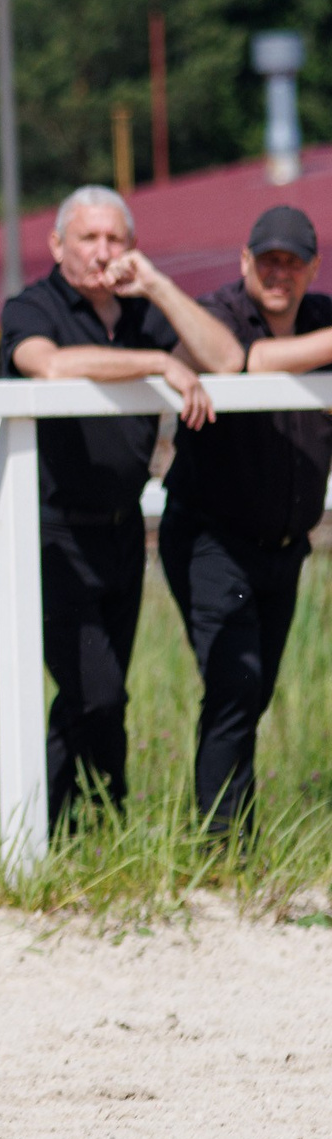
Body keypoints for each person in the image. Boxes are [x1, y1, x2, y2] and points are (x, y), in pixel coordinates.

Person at [2, 184, 242, 831]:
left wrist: (159, 287)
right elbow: (48, 366)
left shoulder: (144, 310)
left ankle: (56, 830)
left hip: (122, 531)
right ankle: (106, 819)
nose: (103, 251)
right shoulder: (33, 306)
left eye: (116, 239)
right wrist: (158, 362)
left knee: (88, 699)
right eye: (89, 237)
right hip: (50, 533)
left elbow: (225, 358)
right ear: (57, 244)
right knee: (99, 692)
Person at [157, 205, 329, 843]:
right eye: (268, 259)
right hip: (213, 539)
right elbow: (241, 362)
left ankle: (231, 838)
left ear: (311, 268)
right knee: (237, 681)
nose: (278, 272)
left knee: (250, 694)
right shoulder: (215, 314)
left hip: (286, 547)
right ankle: (224, 846)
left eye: (292, 261)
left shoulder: (322, 315)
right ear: (244, 263)